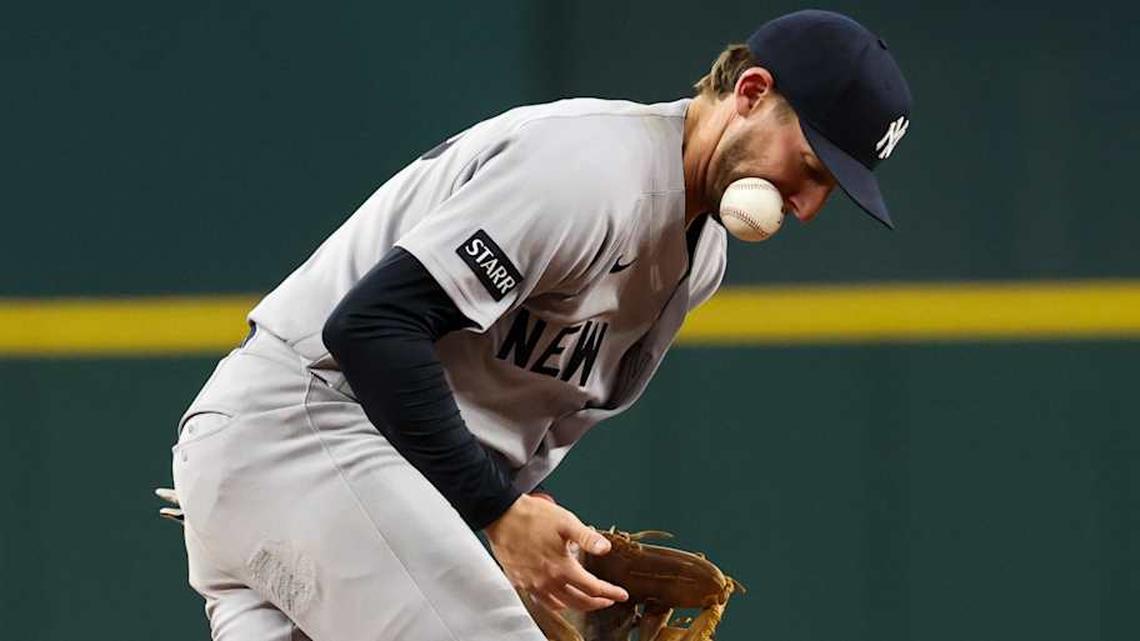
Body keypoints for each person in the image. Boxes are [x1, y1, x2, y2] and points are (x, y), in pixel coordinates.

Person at [169, 9, 912, 641]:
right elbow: (371, 326)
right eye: (811, 165)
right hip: (300, 433)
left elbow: (482, 404)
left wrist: (521, 520)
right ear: (751, 92)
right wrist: (497, 513)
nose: (809, 205)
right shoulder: (592, 172)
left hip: (328, 482)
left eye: (830, 190)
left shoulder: (700, 254)